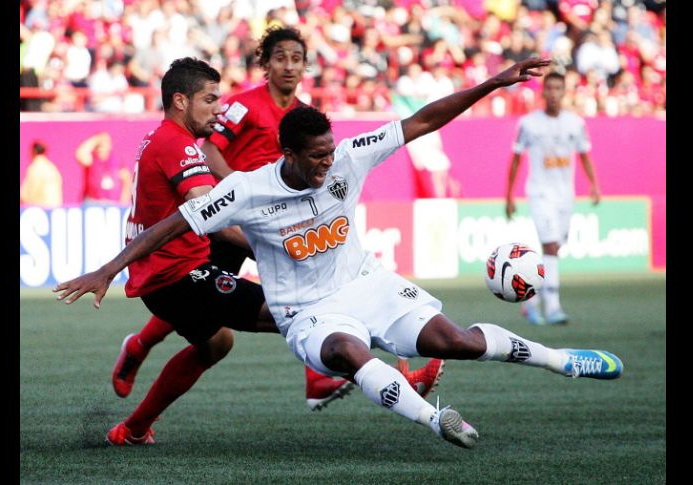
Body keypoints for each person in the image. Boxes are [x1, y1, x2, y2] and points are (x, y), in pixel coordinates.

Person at [55, 57, 623, 449]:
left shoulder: (349, 155)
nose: (329, 164)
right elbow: (174, 222)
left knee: (458, 341)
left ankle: (560, 358)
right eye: (317, 158)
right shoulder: (247, 190)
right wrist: (109, 269)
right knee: (349, 350)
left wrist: (492, 84)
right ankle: (436, 421)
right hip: (307, 312)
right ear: (288, 154)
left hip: (367, 284)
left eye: (330, 153)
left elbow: (423, 120)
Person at [113, 27, 444, 413]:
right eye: (280, 58)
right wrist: (233, 193)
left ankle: (321, 379)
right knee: (256, 303)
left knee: (288, 302)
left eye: (296, 58)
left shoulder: (304, 117)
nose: (288, 66)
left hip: (267, 222)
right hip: (230, 219)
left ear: (306, 66)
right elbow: (211, 149)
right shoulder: (242, 107)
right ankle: (140, 346)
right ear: (265, 65)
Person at [505, 71, 601, 325]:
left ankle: (531, 301)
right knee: (549, 246)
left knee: (555, 248)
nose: (554, 93)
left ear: (564, 92)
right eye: (550, 89)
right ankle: (554, 306)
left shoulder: (576, 123)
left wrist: (593, 184)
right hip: (539, 192)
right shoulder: (528, 123)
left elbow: (584, 155)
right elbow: (516, 160)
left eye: (559, 88)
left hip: (565, 195)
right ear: (543, 92)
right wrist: (509, 195)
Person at [75, 132, 132, 204]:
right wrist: (96, 139)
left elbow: (127, 181)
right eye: (99, 146)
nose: (101, 148)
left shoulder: (117, 162)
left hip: (113, 204)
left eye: (105, 144)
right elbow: (80, 154)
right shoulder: (91, 160)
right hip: (93, 203)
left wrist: (123, 203)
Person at [20, 140, 63, 208]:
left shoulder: (35, 167)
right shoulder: (52, 168)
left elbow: (30, 192)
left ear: (33, 151)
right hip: (54, 208)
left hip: (40, 209)